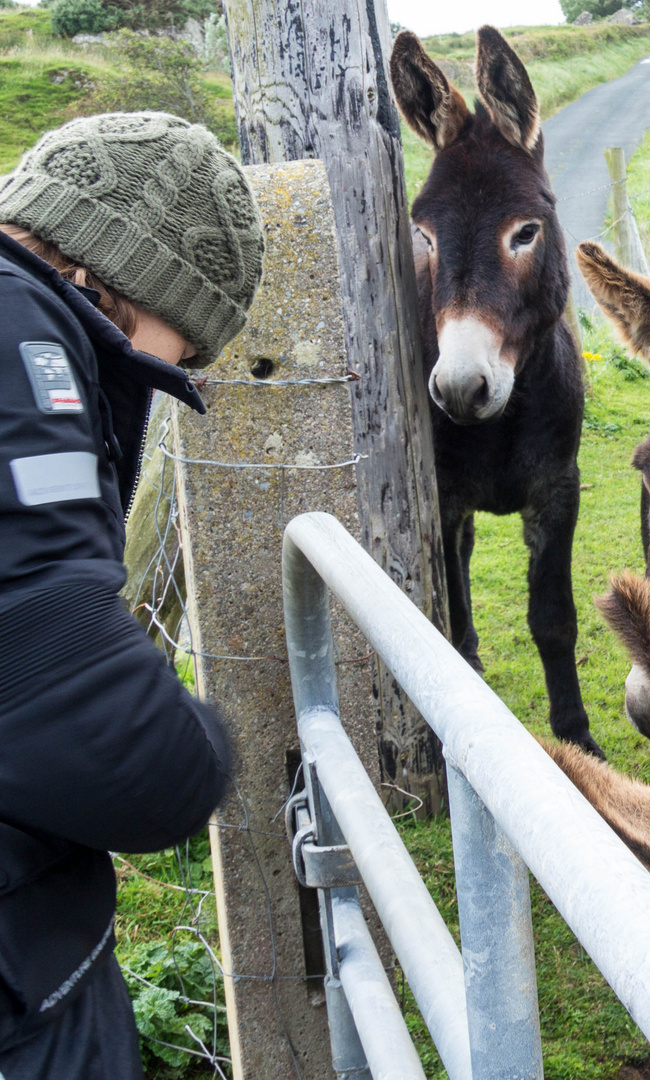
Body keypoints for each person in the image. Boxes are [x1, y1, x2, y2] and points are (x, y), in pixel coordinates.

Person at [0, 112, 262, 1078]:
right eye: (173, 358)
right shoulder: (19, 339)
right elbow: (61, 685)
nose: (166, 382)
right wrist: (202, 749)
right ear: (115, 285)